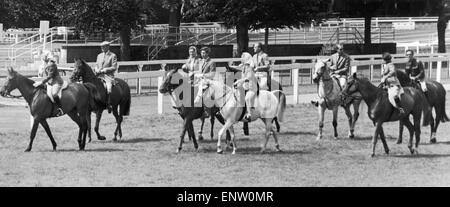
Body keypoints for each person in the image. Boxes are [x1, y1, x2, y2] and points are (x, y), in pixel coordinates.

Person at [233, 52, 258, 122]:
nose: (241, 59)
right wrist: (229, 67)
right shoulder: (243, 66)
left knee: (247, 98)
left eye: (243, 58)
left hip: (251, 88)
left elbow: (249, 77)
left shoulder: (249, 67)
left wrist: (239, 81)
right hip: (245, 86)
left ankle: (249, 114)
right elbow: (237, 67)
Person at [95, 41, 118, 113]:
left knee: (109, 88)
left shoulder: (113, 55)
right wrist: (96, 69)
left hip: (108, 76)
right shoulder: (99, 55)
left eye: (103, 46)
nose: (102, 48)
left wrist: (104, 70)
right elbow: (96, 65)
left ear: (108, 47)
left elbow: (114, 67)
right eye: (101, 46)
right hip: (98, 75)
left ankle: (109, 104)